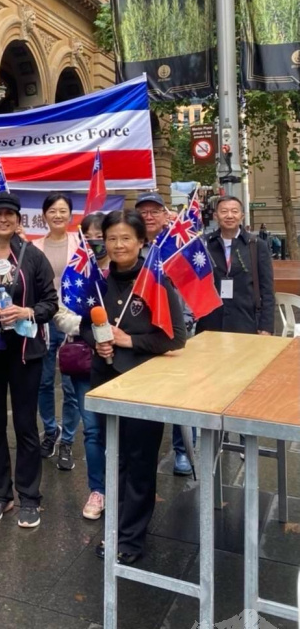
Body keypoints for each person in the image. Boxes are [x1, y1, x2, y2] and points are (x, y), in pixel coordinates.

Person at [80, 210, 186, 564]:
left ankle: (131, 539)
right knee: (116, 458)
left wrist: (129, 341)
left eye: (126, 238)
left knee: (139, 461)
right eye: (112, 238)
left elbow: (174, 338)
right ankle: (118, 526)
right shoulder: (97, 281)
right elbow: (84, 325)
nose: (119, 245)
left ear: (142, 241)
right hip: (105, 383)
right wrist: (98, 341)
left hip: (145, 385)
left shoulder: (156, 280)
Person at [0, 191, 58, 529]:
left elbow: (50, 301)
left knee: (25, 425)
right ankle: (0, 494)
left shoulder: (32, 256)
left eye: (10, 214)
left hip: (25, 353)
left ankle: (30, 497)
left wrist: (29, 310)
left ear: (19, 220)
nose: (3, 219)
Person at [53, 212, 108, 520]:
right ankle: (97, 489)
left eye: (104, 234)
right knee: (93, 430)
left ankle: (123, 485)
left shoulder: (127, 269)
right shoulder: (76, 273)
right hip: (87, 363)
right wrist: (88, 325)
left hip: (124, 364)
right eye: (91, 235)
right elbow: (60, 315)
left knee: (124, 430)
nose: (98, 241)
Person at [135, 192, 193, 476]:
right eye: (143, 211)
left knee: (182, 394)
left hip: (177, 329)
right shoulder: (131, 245)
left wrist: (188, 318)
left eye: (154, 211)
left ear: (164, 214)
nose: (149, 216)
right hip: (144, 330)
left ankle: (183, 451)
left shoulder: (178, 245)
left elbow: (190, 284)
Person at [32, 192, 79, 465]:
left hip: (73, 321)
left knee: (72, 386)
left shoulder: (81, 244)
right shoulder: (34, 247)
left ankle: (69, 440)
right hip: (45, 319)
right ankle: (51, 431)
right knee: (44, 381)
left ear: (70, 215)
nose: (58, 215)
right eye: (52, 211)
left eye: (63, 210)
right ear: (44, 215)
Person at [195, 196, 275, 337]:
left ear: (242, 216)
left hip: (246, 321)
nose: (229, 216)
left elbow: (267, 289)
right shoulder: (204, 244)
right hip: (210, 323)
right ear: (215, 216)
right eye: (224, 211)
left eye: (234, 211)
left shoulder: (256, 245)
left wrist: (266, 326)